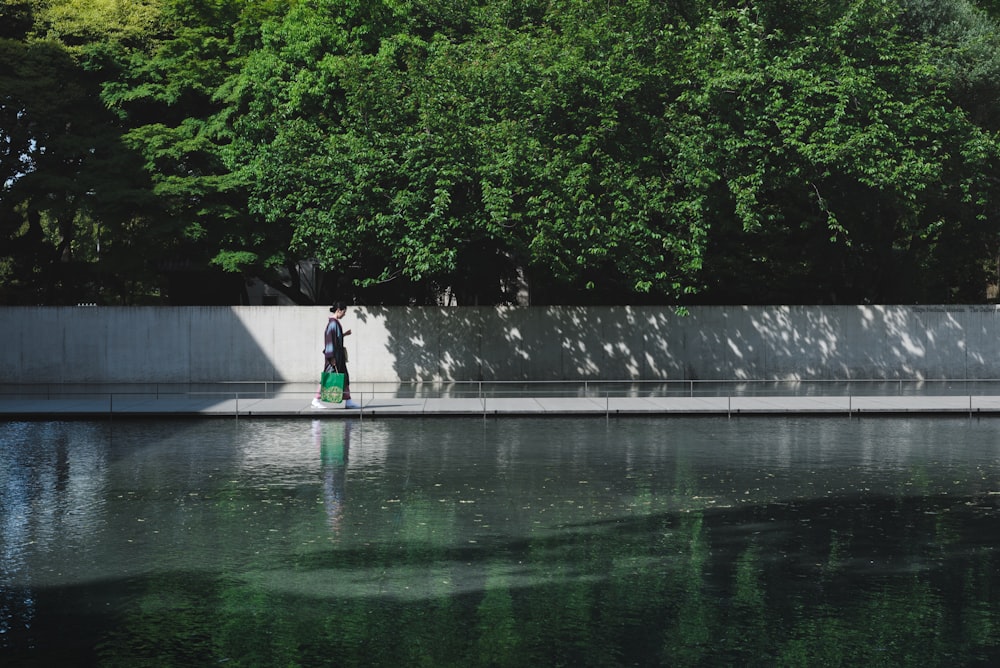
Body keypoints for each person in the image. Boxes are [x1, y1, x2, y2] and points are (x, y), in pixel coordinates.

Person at [312, 302, 360, 409]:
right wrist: (331, 357)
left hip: (338, 356)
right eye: (344, 312)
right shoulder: (333, 323)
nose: (344, 314)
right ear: (338, 310)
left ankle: (348, 401)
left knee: (344, 377)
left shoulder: (334, 323)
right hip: (334, 357)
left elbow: (334, 337)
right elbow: (329, 341)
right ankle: (316, 399)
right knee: (328, 376)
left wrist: (344, 334)